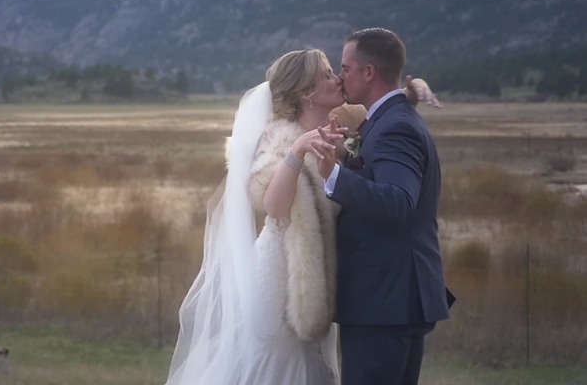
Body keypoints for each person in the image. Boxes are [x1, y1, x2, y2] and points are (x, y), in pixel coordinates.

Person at [163, 47, 441, 385]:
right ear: (306, 93)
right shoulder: (280, 139)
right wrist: (296, 152)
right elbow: (274, 207)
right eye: (326, 73)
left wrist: (411, 92)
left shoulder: (342, 121)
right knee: (276, 366)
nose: (337, 77)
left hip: (317, 282)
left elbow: (383, 110)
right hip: (283, 277)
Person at [312, 28, 455, 385]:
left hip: (383, 301)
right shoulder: (387, 119)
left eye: (346, 68)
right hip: (391, 300)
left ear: (369, 72)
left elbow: (399, 200)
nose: (341, 77)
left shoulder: (395, 127)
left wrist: (333, 175)